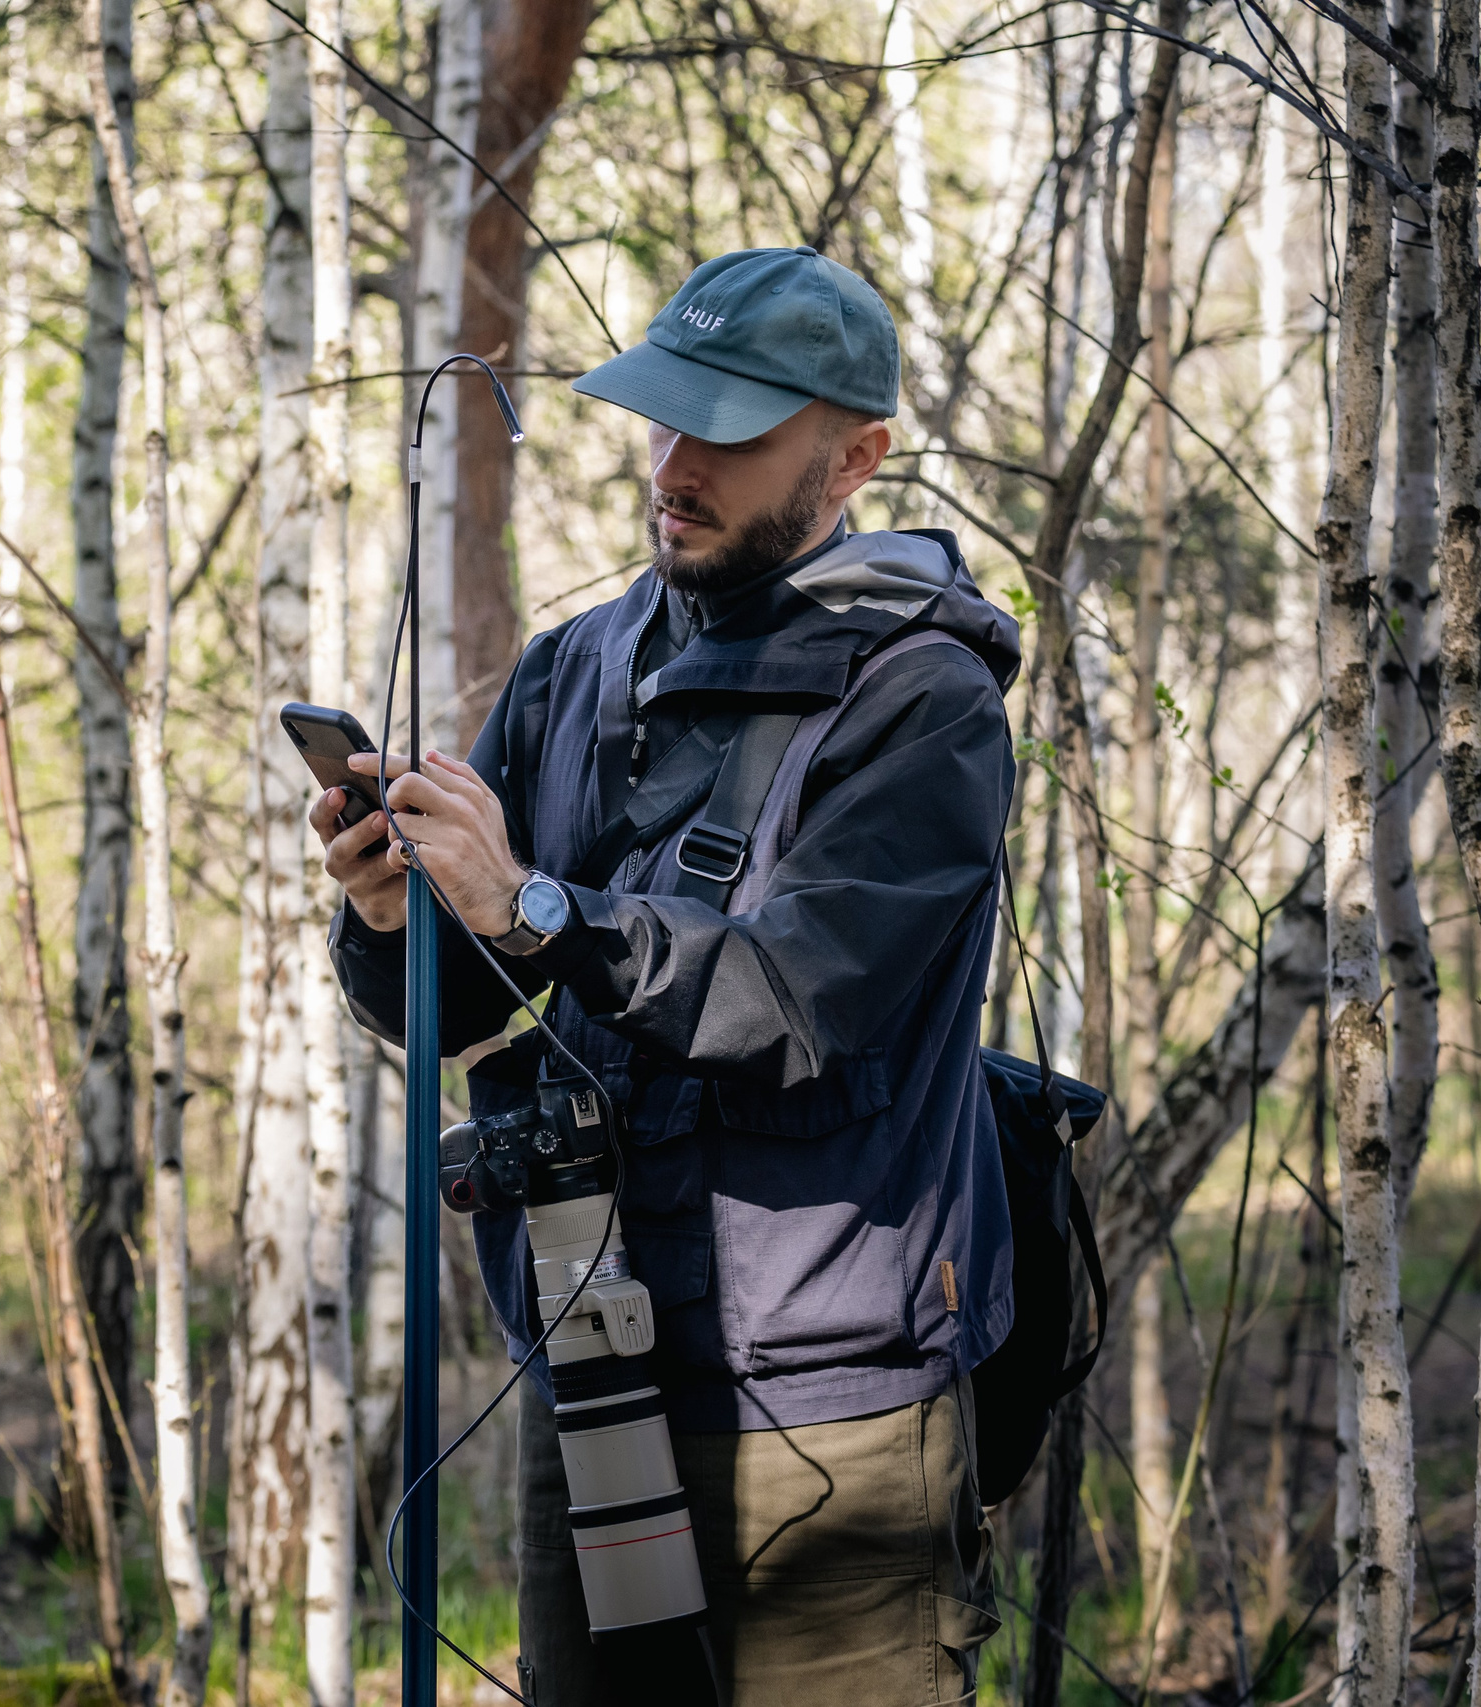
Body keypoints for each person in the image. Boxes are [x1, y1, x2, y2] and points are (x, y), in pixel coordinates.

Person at [317, 247, 1020, 1705]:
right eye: (663, 418)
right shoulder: (576, 666)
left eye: (731, 432)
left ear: (856, 458)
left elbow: (799, 1001)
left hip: (830, 1406)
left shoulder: (922, 697)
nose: (677, 466)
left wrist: (537, 905)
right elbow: (460, 999)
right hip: (586, 1355)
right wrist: (397, 918)